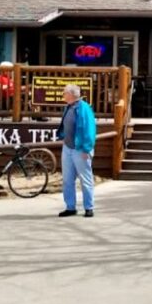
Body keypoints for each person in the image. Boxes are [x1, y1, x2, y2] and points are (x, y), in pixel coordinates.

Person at [57, 83, 97, 218]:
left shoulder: (84, 108)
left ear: (71, 94)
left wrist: (86, 149)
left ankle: (89, 207)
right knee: (67, 180)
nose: (63, 95)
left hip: (80, 149)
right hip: (67, 147)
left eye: (64, 92)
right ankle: (70, 207)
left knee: (85, 179)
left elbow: (89, 130)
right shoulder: (68, 107)